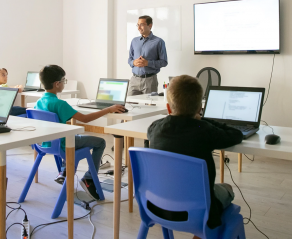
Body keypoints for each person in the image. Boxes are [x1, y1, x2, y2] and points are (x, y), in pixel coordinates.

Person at [147, 75, 243, 236]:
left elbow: (160, 127)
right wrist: (202, 120)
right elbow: (236, 134)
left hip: (157, 207)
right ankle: (200, 234)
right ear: (199, 108)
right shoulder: (204, 130)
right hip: (198, 212)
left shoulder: (155, 128)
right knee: (227, 188)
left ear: (169, 108)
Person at [35, 65, 126, 200]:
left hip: (45, 144)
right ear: (57, 84)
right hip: (63, 145)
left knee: (73, 135)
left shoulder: (39, 102)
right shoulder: (60, 104)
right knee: (100, 142)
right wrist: (109, 109)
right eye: (64, 81)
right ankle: (88, 178)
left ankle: (64, 171)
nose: (64, 83)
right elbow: (85, 119)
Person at [128, 15, 168, 148]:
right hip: (134, 79)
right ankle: (126, 138)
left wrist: (148, 63)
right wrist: (134, 62)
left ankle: (147, 142)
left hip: (150, 80)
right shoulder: (134, 41)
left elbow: (164, 62)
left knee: (149, 112)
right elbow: (129, 60)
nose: (139, 27)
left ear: (150, 26)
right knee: (128, 108)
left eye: (142, 24)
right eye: (138, 25)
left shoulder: (158, 42)